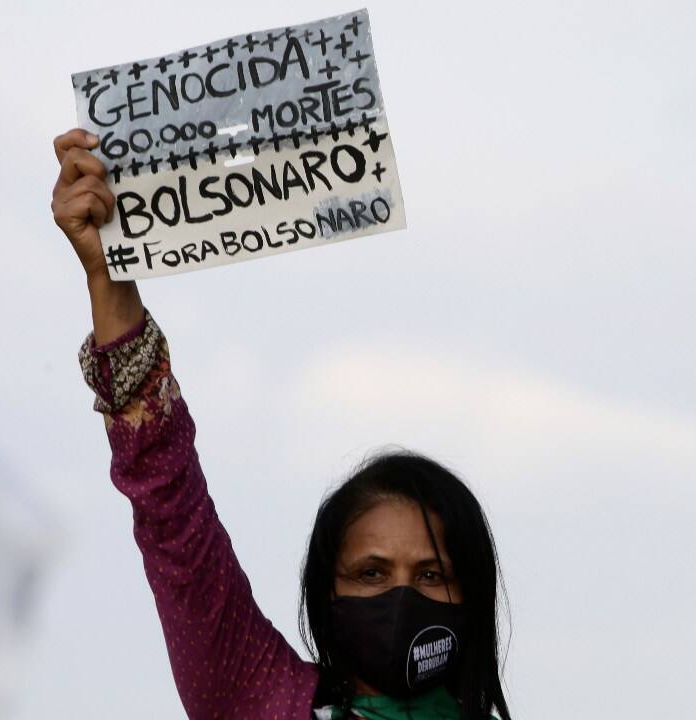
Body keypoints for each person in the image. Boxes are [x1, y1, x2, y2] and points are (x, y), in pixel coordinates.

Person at [51, 128, 513, 720]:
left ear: (471, 596)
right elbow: (173, 517)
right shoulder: (263, 701)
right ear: (329, 593)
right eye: (371, 573)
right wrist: (106, 270)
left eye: (431, 574)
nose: (403, 599)